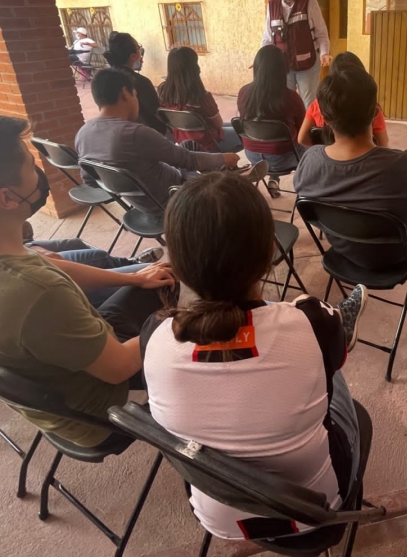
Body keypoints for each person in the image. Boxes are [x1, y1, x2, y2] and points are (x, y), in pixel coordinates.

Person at [0, 111, 176, 447]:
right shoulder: (35, 294)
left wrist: (135, 279)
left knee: (161, 278)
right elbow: (118, 367)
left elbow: (44, 267)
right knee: (197, 318)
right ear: (7, 198)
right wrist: (178, 319)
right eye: (31, 165)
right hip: (104, 408)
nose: (37, 172)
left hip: (70, 361)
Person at [142, 173, 369, 539]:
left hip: (217, 517)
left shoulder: (154, 335)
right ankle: (339, 333)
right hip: (318, 510)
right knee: (332, 372)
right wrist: (303, 310)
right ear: (268, 255)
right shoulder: (310, 321)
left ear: (177, 264)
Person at [294, 66, 407, 270]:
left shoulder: (309, 160)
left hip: (342, 248)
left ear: (324, 118)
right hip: (397, 255)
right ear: (376, 113)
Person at [76, 68, 243, 215]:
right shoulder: (135, 134)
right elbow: (188, 159)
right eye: (135, 95)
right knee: (225, 178)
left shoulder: (83, 133)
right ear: (125, 93)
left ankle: (210, 180)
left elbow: (90, 180)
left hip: (144, 202)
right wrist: (224, 158)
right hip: (175, 197)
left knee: (188, 145)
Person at [237, 45, 307, 198]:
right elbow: (303, 131)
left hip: (252, 156)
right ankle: (309, 191)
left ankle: (273, 179)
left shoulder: (243, 93)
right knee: (315, 150)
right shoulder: (291, 98)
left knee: (273, 142)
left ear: (256, 67)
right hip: (284, 160)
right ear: (282, 69)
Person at [261, 0, 332, 109]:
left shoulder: (309, 1)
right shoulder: (272, 5)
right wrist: (262, 59)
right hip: (282, 65)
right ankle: (292, 125)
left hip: (308, 64)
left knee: (308, 104)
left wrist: (324, 53)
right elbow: (268, 37)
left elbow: (321, 32)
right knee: (287, 103)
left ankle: (308, 125)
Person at [157, 46, 242, 153]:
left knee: (235, 124)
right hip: (209, 144)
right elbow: (218, 124)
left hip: (184, 142)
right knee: (244, 132)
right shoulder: (201, 97)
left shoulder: (163, 92)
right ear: (194, 68)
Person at [297, 52, 389, 148]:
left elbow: (301, 139)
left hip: (328, 154)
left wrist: (322, 151)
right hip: (365, 155)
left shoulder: (317, 105)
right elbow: (383, 144)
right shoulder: (370, 107)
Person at [103, 31, 168, 135]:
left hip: (115, 130)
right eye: (138, 48)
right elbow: (156, 111)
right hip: (147, 133)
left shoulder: (104, 79)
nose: (140, 50)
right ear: (133, 56)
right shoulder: (140, 82)